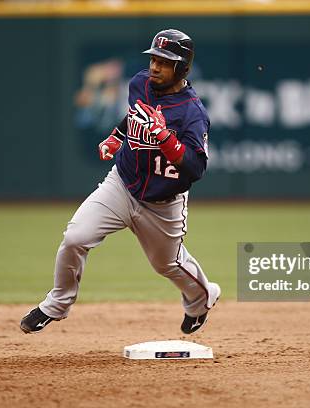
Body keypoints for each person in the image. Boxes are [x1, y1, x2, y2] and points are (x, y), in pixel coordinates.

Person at [20, 28, 220, 335]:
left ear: (182, 68)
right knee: (75, 237)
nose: (155, 66)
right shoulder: (141, 83)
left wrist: (165, 137)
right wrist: (116, 138)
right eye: (154, 58)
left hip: (163, 203)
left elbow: (195, 168)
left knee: (166, 265)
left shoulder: (192, 113)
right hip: (122, 185)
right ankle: (56, 305)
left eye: (164, 62)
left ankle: (201, 299)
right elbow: (134, 116)